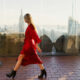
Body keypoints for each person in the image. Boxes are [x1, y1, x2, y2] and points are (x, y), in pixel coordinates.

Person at [6, 13, 47, 79]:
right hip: (27, 45)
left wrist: (37, 47)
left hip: (29, 46)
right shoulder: (30, 26)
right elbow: (31, 36)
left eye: (24, 19)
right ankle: (13, 73)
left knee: (30, 58)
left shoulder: (31, 27)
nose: (24, 20)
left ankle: (13, 73)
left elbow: (35, 37)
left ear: (25, 20)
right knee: (23, 58)